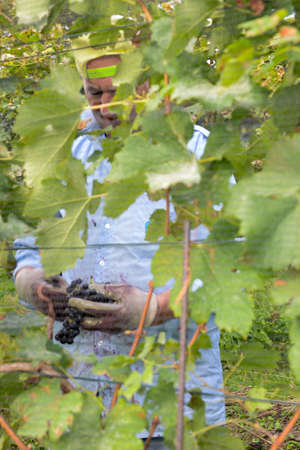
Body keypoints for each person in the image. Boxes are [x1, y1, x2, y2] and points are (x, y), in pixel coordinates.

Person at [13, 50, 226, 447]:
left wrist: (155, 309)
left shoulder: (200, 157)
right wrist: (31, 281)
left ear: (151, 83)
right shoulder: (66, 154)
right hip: (79, 397)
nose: (106, 107)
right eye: (95, 94)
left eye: (119, 92)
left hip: (167, 403)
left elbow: (226, 269)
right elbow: (31, 244)